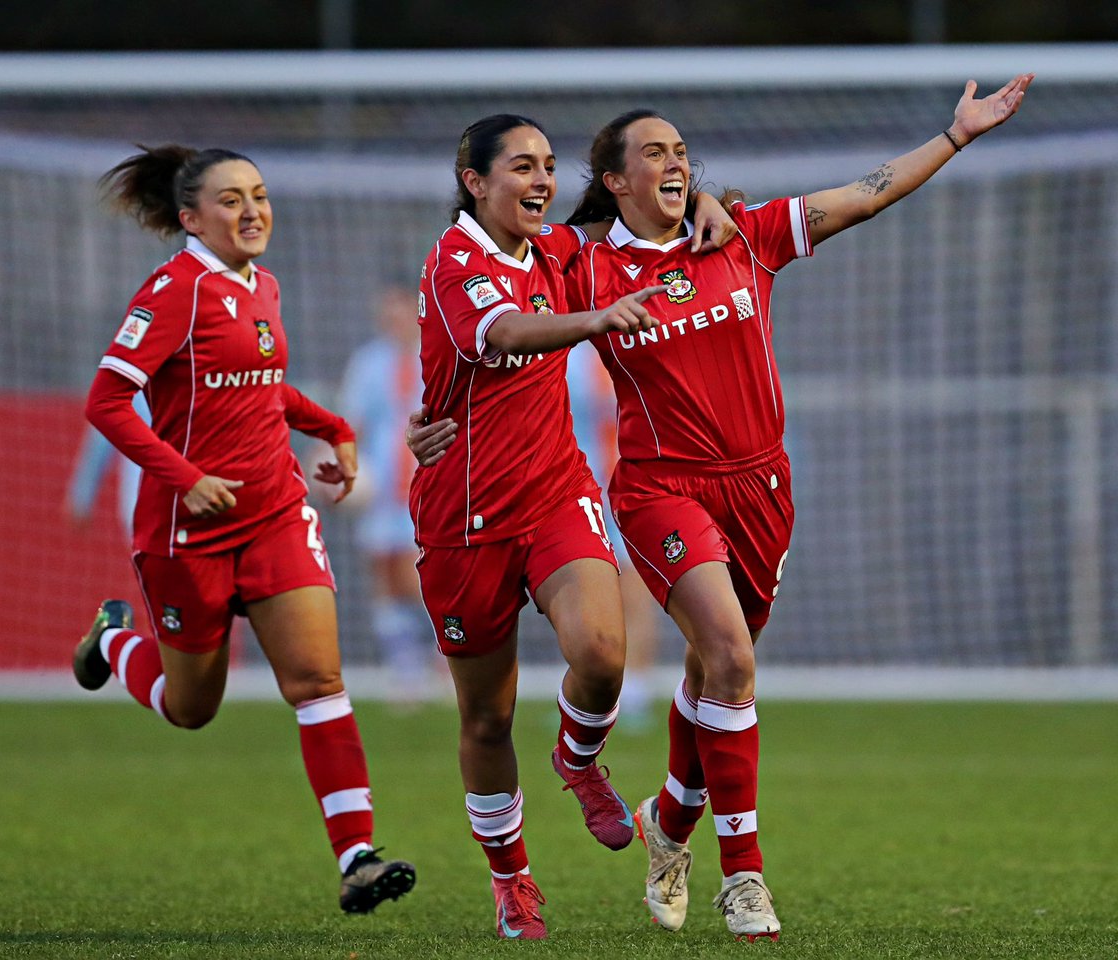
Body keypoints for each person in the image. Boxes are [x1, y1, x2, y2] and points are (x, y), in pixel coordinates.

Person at [413, 75, 1034, 942]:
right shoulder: (582, 261)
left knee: (714, 676)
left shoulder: (741, 235)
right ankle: (744, 877)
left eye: (683, 154)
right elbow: (494, 309)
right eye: (654, 154)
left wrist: (957, 136)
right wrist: (439, 413)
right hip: (663, 488)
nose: (675, 164)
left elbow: (866, 193)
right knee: (730, 660)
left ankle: (670, 822)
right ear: (616, 180)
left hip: (762, 487)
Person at [71, 144, 416, 915]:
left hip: (274, 513)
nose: (253, 210)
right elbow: (106, 402)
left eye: (259, 195)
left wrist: (333, 427)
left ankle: (358, 856)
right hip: (185, 532)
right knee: (192, 707)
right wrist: (187, 481)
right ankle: (114, 641)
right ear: (190, 217)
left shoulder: (264, 284)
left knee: (318, 680)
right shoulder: (171, 293)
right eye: (232, 199)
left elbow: (261, 387)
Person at [409, 113, 701, 940]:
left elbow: (645, 210)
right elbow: (503, 332)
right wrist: (594, 322)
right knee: (485, 720)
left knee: (604, 653)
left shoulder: (561, 252)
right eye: (521, 168)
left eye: (547, 167)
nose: (541, 181)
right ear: (475, 182)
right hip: (462, 520)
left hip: (551, 495)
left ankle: (576, 760)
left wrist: (712, 201)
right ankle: (512, 881)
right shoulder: (454, 263)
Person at [338, 286, 445, 703]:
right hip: (380, 488)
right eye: (387, 311)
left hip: (429, 483)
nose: (394, 318)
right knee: (384, 577)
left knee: (416, 574)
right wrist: (342, 465)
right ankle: (406, 669)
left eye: (401, 310)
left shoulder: (438, 354)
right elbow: (353, 422)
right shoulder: (368, 363)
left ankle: (446, 654)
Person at [565, 345, 662, 727]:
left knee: (635, 591)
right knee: (583, 596)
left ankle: (635, 692)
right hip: (575, 490)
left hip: (629, 485)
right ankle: (588, 697)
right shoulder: (562, 348)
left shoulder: (631, 342)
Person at [64, 391, 151, 535]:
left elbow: (102, 436)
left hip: (142, 502)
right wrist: (83, 494)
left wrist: (82, 495)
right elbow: (103, 434)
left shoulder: (130, 382)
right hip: (162, 497)